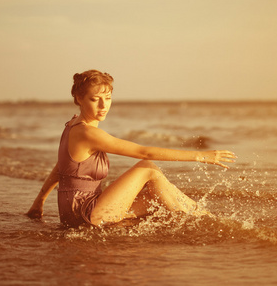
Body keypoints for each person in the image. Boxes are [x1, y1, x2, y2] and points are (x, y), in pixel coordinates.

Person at [27, 69, 236, 228]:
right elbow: (144, 152)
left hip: (75, 214)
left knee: (157, 198)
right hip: (86, 216)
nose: (103, 106)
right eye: (95, 99)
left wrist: (39, 202)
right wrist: (200, 156)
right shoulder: (87, 133)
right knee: (147, 167)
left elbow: (61, 167)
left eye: (107, 98)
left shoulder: (72, 125)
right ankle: (209, 222)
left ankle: (208, 220)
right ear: (79, 99)